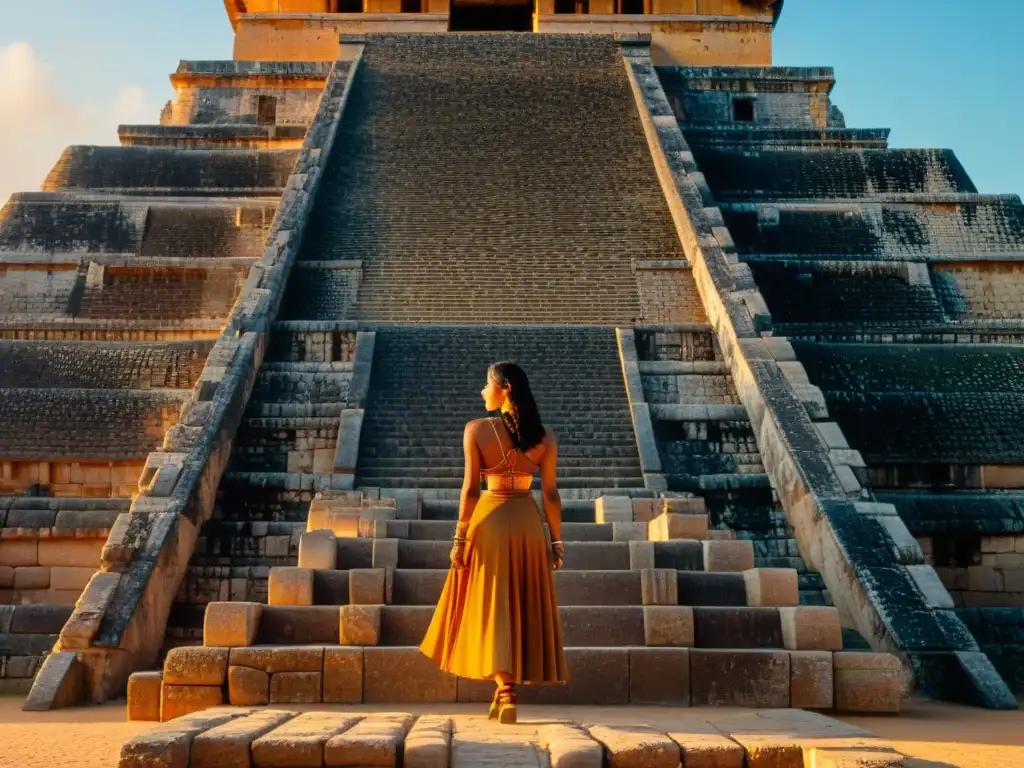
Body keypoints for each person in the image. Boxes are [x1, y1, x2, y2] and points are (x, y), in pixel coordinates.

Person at [419, 361, 568, 724]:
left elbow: (470, 489)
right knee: (519, 605)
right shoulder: (545, 436)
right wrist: (557, 543)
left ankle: (505, 690)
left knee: (493, 607)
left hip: (489, 522)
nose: (482, 392)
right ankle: (503, 690)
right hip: (529, 525)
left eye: (487, 385)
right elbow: (550, 495)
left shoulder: (476, 430)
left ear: (505, 389)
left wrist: (458, 535)